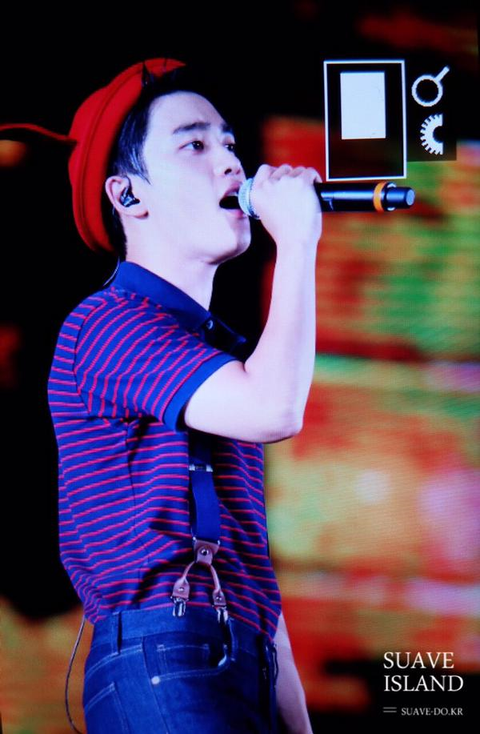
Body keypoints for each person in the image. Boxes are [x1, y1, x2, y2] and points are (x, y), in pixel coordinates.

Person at [7, 57, 322, 732]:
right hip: (164, 657)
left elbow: (250, 567)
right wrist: (297, 243)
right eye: (195, 145)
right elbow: (276, 409)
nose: (232, 162)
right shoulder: (105, 324)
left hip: (244, 660)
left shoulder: (221, 357)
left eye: (230, 143)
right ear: (128, 196)